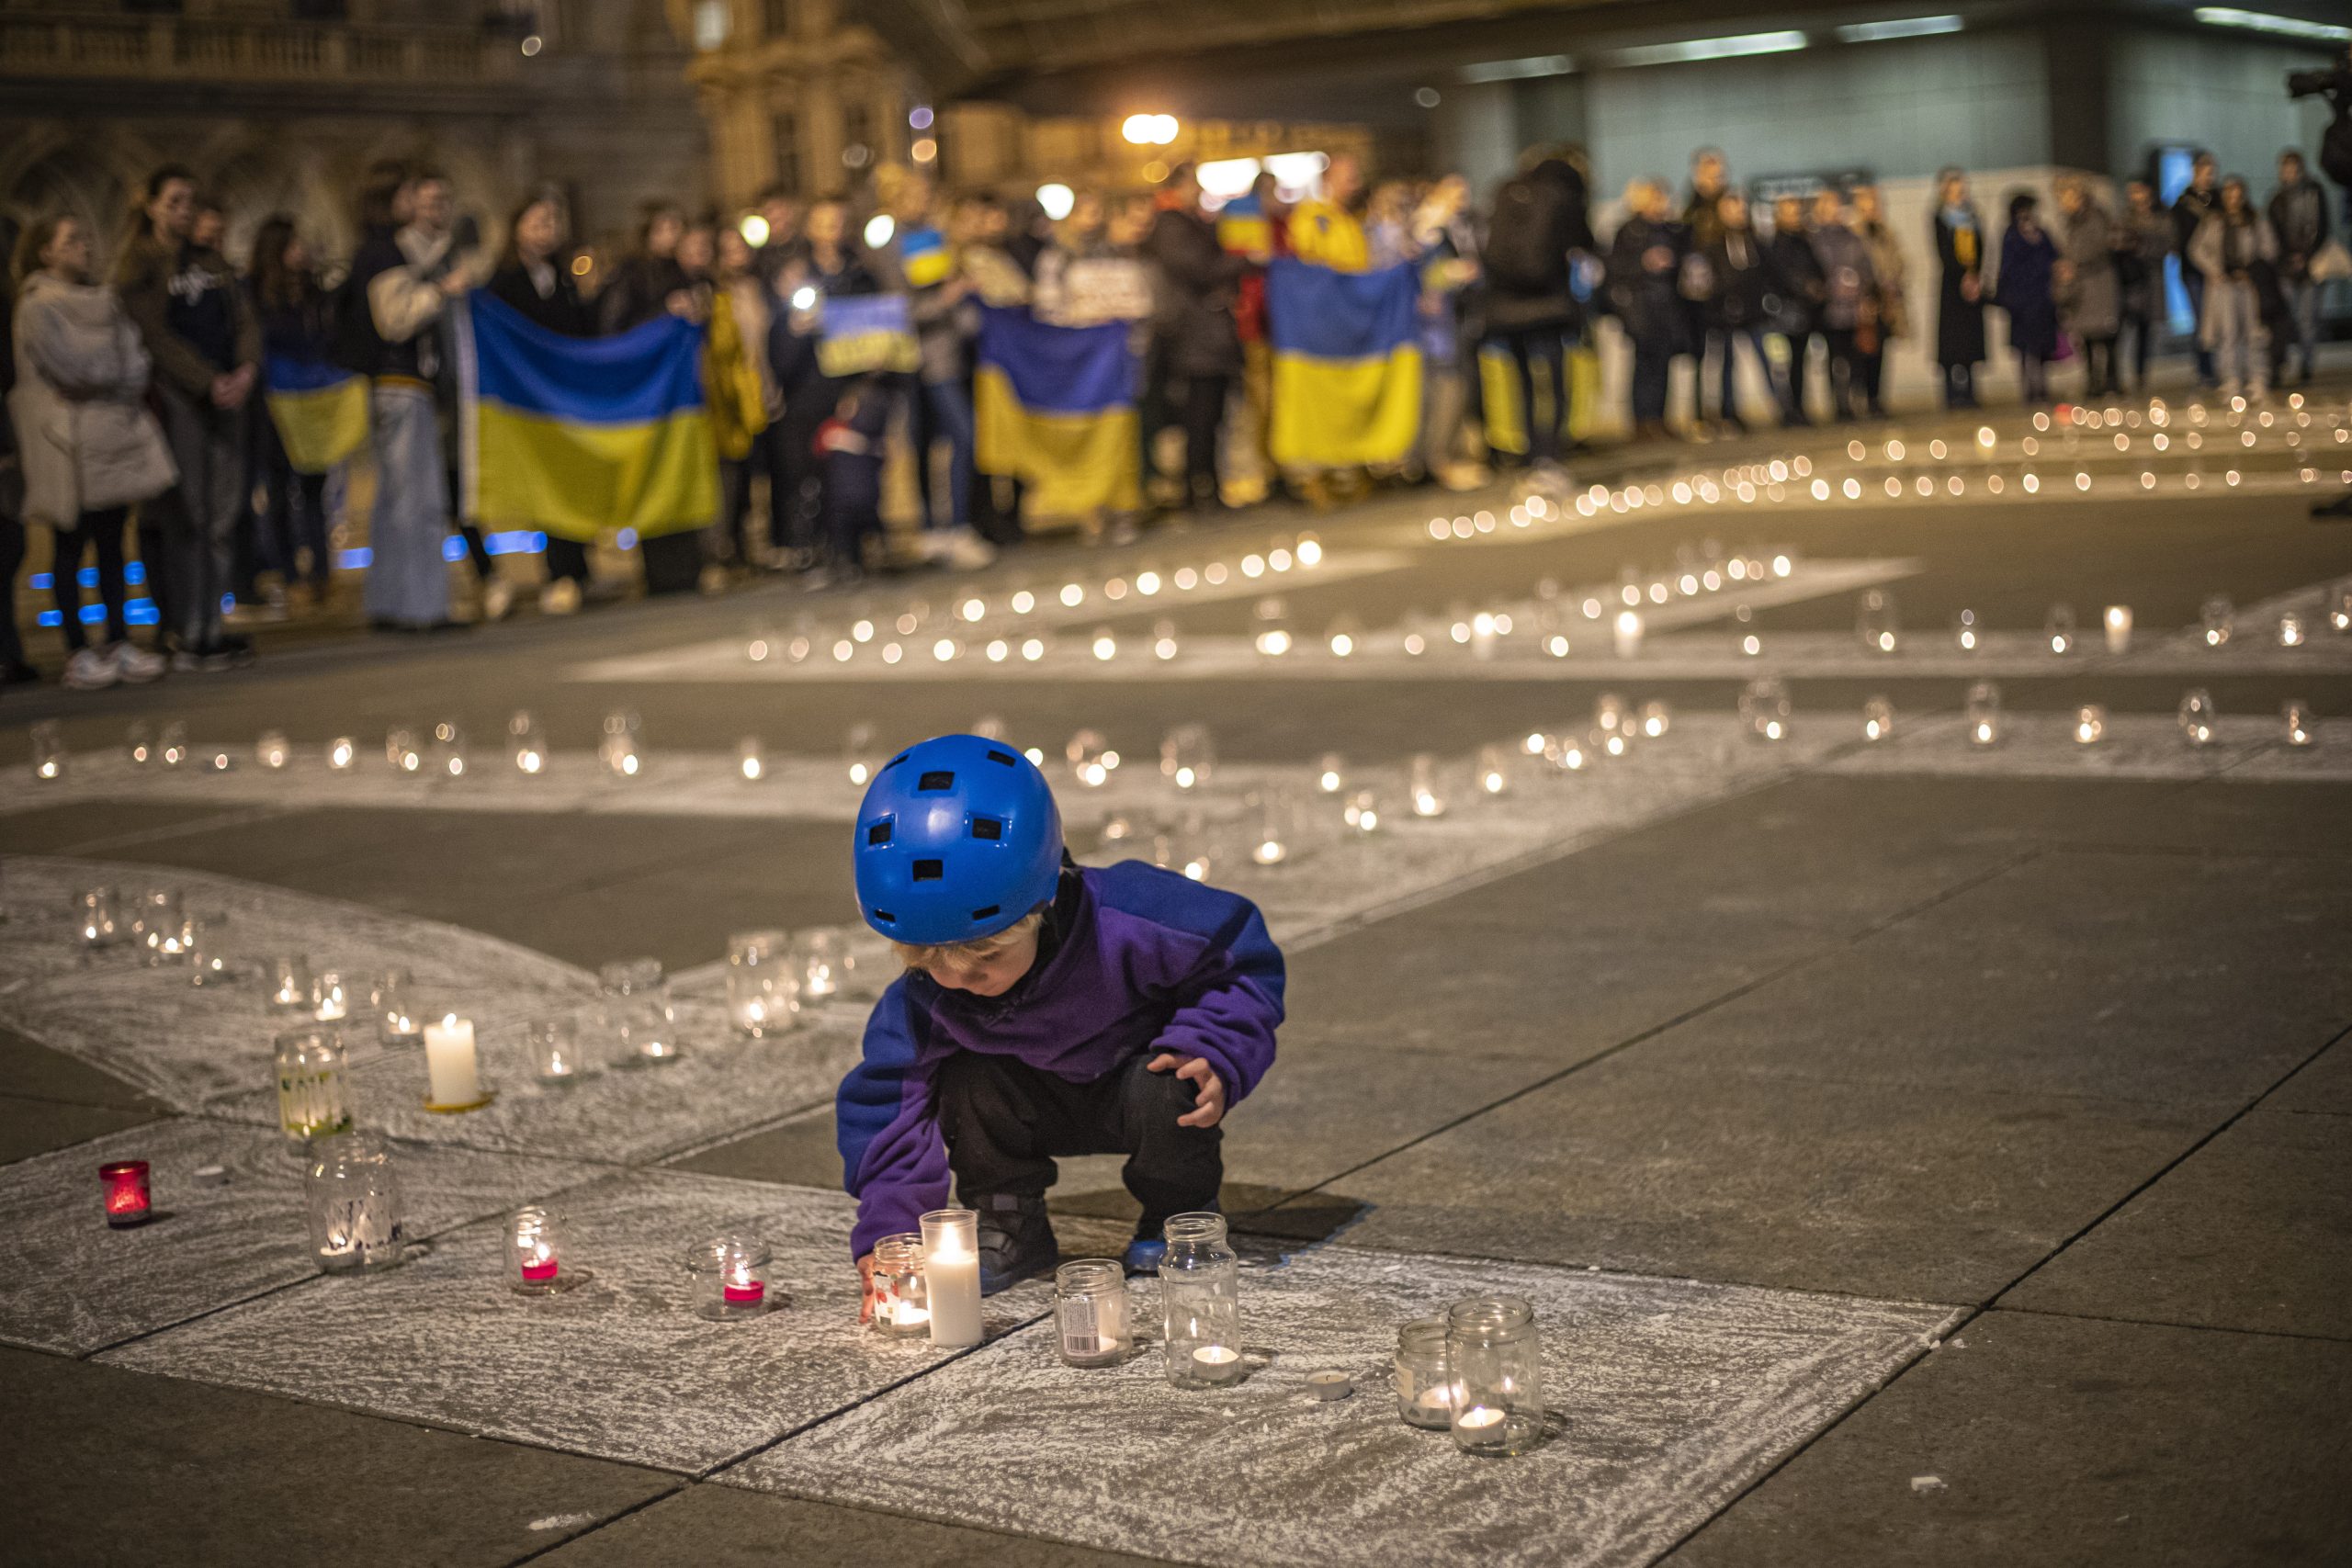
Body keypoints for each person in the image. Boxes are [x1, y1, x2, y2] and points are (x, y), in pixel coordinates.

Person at [836, 733, 1283, 1303]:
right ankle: (1009, 1219)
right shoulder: (926, 998)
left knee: (1173, 1080)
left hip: (1135, 1087)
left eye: (986, 956)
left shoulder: (1131, 916)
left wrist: (1214, 1046)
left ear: (1042, 902)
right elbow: (888, 1114)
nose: (957, 977)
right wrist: (892, 1236)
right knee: (969, 1080)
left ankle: (1178, 1216)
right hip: (1029, 1103)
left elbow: (1240, 962)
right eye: (927, 959)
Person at [10, 215, 173, 689]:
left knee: (112, 546)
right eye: (71, 240)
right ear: (46, 252)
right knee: (70, 546)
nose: (84, 246)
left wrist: (109, 379)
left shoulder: (107, 301)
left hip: (112, 438)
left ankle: (119, 641)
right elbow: (73, 369)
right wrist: (109, 376)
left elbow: (136, 363)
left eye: (85, 237)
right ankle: (77, 651)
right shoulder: (37, 306)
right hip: (67, 443)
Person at [113, 164, 260, 670]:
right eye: (173, 201)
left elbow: (244, 319)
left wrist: (245, 369)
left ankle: (212, 627)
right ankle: (185, 629)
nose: (183, 211)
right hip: (178, 399)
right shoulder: (140, 263)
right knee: (187, 518)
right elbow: (152, 335)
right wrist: (206, 380)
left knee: (221, 516)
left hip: (229, 396)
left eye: (189, 201)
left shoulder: (210, 260)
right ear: (151, 205)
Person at [339, 159, 463, 631]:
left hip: (391, 388)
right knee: (418, 500)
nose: (419, 204)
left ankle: (389, 602)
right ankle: (423, 608)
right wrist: (440, 292)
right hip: (402, 385)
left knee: (392, 502)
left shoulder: (376, 251)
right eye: (412, 194)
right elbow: (394, 321)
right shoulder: (383, 252)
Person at [865, 165, 992, 571]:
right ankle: (942, 529)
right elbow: (900, 310)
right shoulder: (891, 246)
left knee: (951, 439)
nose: (925, 203)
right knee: (941, 439)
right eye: (918, 196)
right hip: (918, 359)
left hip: (947, 354)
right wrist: (948, 300)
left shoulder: (937, 239)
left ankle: (949, 526)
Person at [484, 189, 596, 614]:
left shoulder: (565, 279)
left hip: (566, 399)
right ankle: (556, 571)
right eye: (537, 222)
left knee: (571, 482)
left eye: (552, 222)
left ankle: (576, 568)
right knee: (543, 486)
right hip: (526, 401)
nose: (546, 231)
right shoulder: (504, 283)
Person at [773, 195, 874, 581]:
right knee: (809, 475)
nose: (833, 229)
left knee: (851, 474)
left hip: (849, 390)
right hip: (807, 390)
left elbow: (878, 328)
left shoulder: (861, 274)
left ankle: (851, 550)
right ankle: (812, 551)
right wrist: (795, 330)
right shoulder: (795, 276)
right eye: (825, 222)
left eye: (839, 221)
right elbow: (779, 348)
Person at [1480, 147, 1594, 480]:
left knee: (1523, 382)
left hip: (1507, 306)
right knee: (1554, 380)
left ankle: (1530, 449)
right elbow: (1584, 242)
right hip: (1549, 303)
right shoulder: (1561, 196)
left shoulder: (1506, 193)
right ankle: (1550, 451)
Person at [1144, 163, 1245, 514]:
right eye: (1193, 184)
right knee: (1199, 415)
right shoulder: (1172, 225)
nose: (1198, 191)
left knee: (1213, 414)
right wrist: (1242, 261)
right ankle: (1196, 489)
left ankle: (1210, 486)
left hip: (1207, 334)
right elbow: (1199, 269)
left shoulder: (1190, 223)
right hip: (1193, 335)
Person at [246, 215, 335, 611]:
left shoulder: (314, 294)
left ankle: (321, 571)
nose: (302, 252)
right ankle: (288, 571)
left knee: (315, 487)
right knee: (280, 489)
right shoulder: (256, 294)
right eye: (294, 244)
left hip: (313, 402)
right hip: (275, 404)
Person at [700, 219, 775, 588]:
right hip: (727, 397)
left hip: (763, 390)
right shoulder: (712, 295)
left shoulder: (760, 288)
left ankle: (749, 546)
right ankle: (721, 551)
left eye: (741, 248)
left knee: (752, 475)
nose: (737, 256)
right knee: (727, 475)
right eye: (728, 250)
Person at [1411, 175, 1485, 490]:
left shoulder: (1460, 226)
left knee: (1457, 389)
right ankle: (1437, 460)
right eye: (1455, 195)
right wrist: (1454, 273)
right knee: (1445, 389)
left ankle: (1443, 457)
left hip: (1455, 320)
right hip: (1436, 329)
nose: (1462, 201)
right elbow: (1422, 277)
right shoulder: (1428, 229)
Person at [1701, 191, 1792, 429]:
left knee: (1769, 360)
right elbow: (1710, 280)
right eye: (1732, 210)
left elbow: (1772, 273)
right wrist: (1720, 305)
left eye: (1741, 210)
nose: (1738, 215)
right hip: (1725, 315)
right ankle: (1728, 412)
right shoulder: (1713, 245)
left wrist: (1772, 300)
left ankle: (1783, 408)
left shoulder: (1754, 242)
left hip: (1755, 312)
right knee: (1727, 364)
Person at [1607, 179, 1687, 442]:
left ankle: (1659, 419)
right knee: (1643, 366)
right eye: (1656, 198)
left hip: (1667, 308)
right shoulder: (1628, 231)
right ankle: (1641, 421)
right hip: (1640, 309)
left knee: (1663, 365)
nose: (1662, 203)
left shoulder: (1671, 230)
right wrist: (1644, 264)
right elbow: (1615, 270)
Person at [2189, 175, 2278, 400]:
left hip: (2250, 285)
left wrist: (2253, 270)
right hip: (2224, 286)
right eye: (2230, 195)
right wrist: (2214, 271)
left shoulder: (2255, 220)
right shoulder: (2215, 221)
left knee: (2254, 332)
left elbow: (2269, 249)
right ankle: (2231, 379)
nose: (2234, 200)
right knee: (2228, 333)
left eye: (2237, 195)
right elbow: (2197, 249)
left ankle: (2257, 378)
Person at [1806, 187, 1877, 423]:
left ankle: (1859, 401)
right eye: (1828, 207)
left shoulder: (1853, 238)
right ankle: (1840, 404)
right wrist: (1828, 288)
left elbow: (1866, 268)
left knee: (1857, 358)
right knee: (1836, 359)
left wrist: (1861, 289)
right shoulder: (1815, 240)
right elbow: (1815, 272)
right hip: (1830, 311)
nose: (1834, 211)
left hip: (1854, 309)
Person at [2053, 176, 2121, 400]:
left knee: (2106, 336)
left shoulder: (2095, 217)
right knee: (2087, 338)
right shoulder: (2070, 221)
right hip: (2081, 288)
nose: (2063, 202)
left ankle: (2112, 380)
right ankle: (2094, 381)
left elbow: (2099, 247)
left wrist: (2073, 263)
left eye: (2066, 197)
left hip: (2098, 284)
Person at [2267, 150, 2330, 388]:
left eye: (2294, 169)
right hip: (2285, 267)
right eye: (2286, 169)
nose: (2290, 173)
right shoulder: (2277, 199)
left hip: (2311, 266)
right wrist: (2288, 257)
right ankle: (2280, 365)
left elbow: (2323, 226)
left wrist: (2307, 255)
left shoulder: (2315, 193)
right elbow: (2273, 233)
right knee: (2285, 318)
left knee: (2307, 318)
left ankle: (2306, 364)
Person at [1678, 149, 1730, 429]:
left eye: (1718, 172)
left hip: (1725, 291)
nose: (1714, 178)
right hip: (1697, 294)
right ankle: (1699, 412)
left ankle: (1726, 411)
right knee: (1699, 355)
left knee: (1725, 356)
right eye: (1709, 172)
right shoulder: (1691, 208)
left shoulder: (1728, 205)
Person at [1995, 191, 2060, 405]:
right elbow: (2007, 268)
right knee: (2025, 349)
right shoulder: (2011, 236)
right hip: (2021, 303)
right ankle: (2029, 390)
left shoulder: (2042, 234)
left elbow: (2054, 257)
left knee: (2042, 349)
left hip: (2042, 300)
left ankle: (2042, 387)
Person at [1764, 194, 1825, 424]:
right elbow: (1780, 276)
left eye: (1797, 212)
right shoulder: (1776, 244)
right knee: (1783, 365)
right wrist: (1804, 287)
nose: (1794, 217)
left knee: (1800, 362)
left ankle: (1798, 407)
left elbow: (1816, 269)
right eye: (1789, 212)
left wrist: (1817, 287)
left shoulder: (1804, 241)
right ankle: (1787, 409)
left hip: (1804, 313)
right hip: (1783, 315)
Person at [1930, 168, 1987, 409]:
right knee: (1951, 343)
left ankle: (1970, 392)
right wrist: (1962, 276)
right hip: (1952, 286)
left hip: (1972, 285)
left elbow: (1981, 247)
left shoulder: (1973, 217)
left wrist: (1974, 275)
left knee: (1970, 342)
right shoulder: (1940, 218)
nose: (1958, 194)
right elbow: (1943, 252)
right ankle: (1950, 393)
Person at [1850, 185, 1907, 418]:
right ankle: (1860, 398)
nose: (1871, 211)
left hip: (1885, 302)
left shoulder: (1886, 233)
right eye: (1865, 208)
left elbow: (1899, 261)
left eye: (1874, 207)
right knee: (1862, 353)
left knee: (1880, 353)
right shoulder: (1853, 235)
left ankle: (1876, 399)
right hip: (1862, 304)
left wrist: (1892, 281)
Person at [2116, 180, 2171, 396]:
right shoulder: (2124, 218)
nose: (2136, 196)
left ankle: (2140, 375)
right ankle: (2120, 374)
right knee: (2123, 329)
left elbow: (2167, 244)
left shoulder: (2160, 218)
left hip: (2150, 281)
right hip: (2128, 283)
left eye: (2140, 191)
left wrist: (2142, 247)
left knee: (2144, 330)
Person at [2170, 152, 2222, 387]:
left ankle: (2223, 366)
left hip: (2219, 273)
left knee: (2220, 321)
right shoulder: (2182, 202)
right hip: (2192, 271)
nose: (2208, 177)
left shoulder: (2220, 200)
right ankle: (2205, 369)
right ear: (2194, 173)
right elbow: (2177, 238)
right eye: (2204, 172)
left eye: (2211, 173)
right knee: (2201, 320)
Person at [1288, 153, 1370, 273]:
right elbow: (1306, 261)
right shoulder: (1310, 216)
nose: (1357, 186)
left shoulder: (1350, 218)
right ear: (1329, 179)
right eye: (1350, 180)